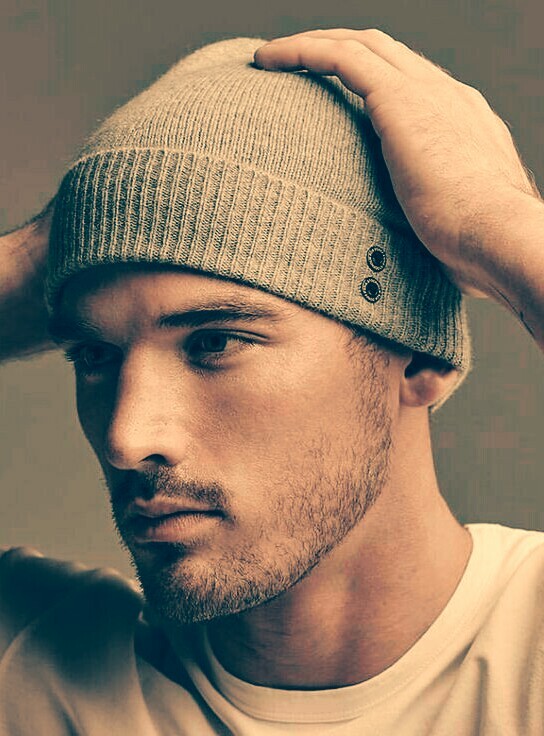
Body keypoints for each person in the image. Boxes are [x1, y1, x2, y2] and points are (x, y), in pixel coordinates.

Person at [0, 27, 543, 735]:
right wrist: (57, 245)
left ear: (416, 358)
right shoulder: (30, 671)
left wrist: (499, 222)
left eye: (214, 343)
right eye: (95, 355)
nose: (125, 439)